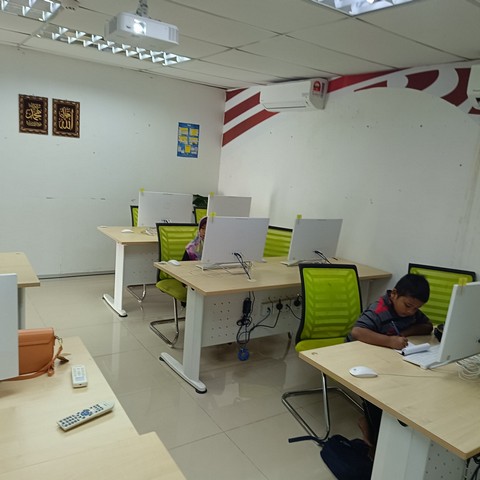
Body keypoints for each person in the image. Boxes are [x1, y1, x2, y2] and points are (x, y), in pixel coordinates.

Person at [347, 273, 433, 450]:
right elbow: (357, 332)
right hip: (359, 355)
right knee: (377, 396)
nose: (411, 312)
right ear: (394, 294)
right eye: (408, 306)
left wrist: (405, 333)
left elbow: (428, 326)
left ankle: (389, 431)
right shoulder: (379, 310)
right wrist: (390, 341)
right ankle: (373, 438)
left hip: (387, 356)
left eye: (416, 309)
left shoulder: (411, 310)